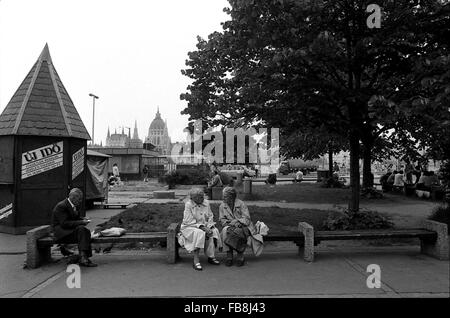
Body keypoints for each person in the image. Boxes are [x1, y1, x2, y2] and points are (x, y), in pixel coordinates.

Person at [52, 188, 97, 267]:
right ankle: (83, 257)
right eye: (79, 199)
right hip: (61, 233)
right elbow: (64, 223)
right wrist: (81, 222)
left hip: (68, 231)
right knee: (82, 230)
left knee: (85, 231)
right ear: (73, 198)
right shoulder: (62, 206)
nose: (80, 201)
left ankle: (84, 256)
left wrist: (82, 219)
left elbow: (73, 219)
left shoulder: (73, 205)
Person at [178, 188, 221, 271]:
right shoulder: (188, 204)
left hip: (205, 226)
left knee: (214, 231)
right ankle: (196, 259)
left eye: (203, 196)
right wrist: (203, 227)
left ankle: (211, 256)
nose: (203, 198)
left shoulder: (206, 202)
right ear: (193, 198)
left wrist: (209, 226)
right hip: (189, 227)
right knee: (199, 233)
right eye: (200, 197)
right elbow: (188, 220)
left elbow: (210, 216)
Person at [219, 187, 263, 267]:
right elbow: (222, 220)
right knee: (225, 231)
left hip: (244, 226)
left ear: (232, 196)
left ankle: (240, 255)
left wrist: (238, 221)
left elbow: (247, 219)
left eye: (225, 196)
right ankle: (229, 255)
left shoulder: (241, 204)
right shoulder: (222, 206)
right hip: (229, 226)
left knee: (238, 231)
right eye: (223, 196)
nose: (223, 198)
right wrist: (232, 223)